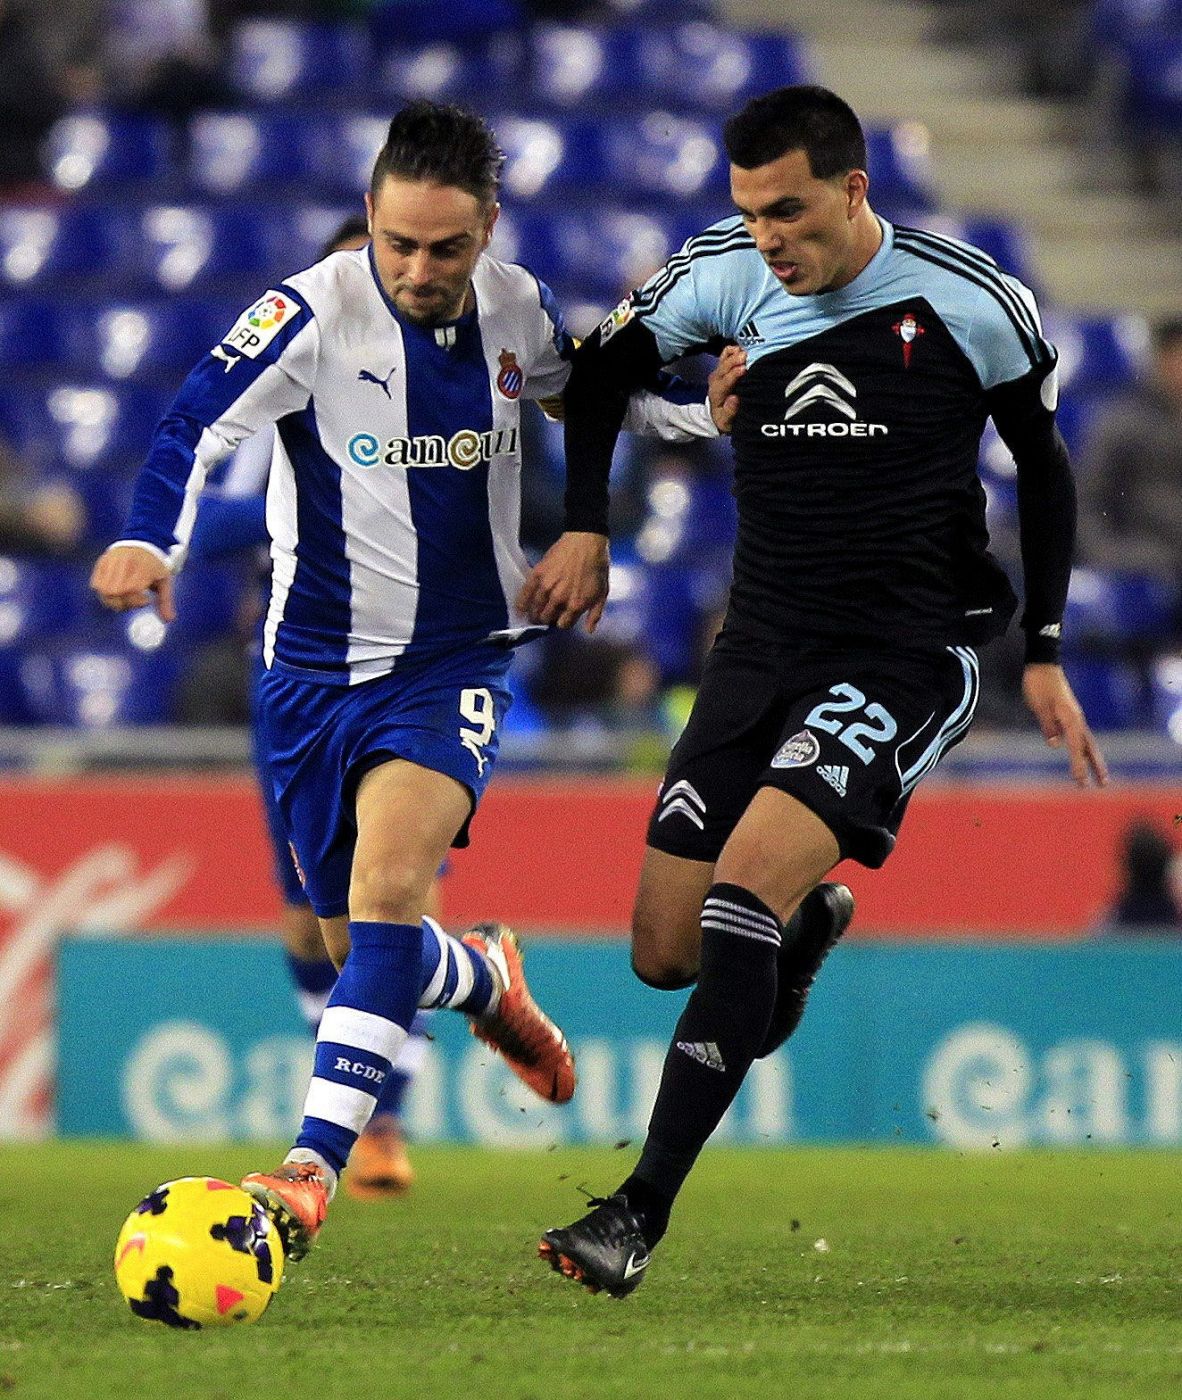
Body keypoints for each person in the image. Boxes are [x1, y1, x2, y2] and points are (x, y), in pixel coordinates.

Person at [90, 100, 737, 1263]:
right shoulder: (307, 311)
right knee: (355, 945)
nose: (418, 270)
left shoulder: (516, 303)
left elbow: (586, 391)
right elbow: (191, 426)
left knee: (389, 893)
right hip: (305, 678)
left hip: (449, 665)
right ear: (372, 223)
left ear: (486, 227)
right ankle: (482, 971)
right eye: (397, 244)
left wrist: (699, 408)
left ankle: (310, 1171)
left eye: (446, 247)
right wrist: (154, 541)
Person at [526, 83, 1108, 1297]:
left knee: (741, 892)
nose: (767, 238)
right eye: (748, 211)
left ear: (853, 190)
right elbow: (594, 374)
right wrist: (588, 525)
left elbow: (1043, 471)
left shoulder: (970, 299)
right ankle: (793, 945)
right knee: (662, 952)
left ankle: (635, 1212)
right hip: (762, 646)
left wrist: (1043, 645)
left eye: (788, 211)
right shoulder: (724, 275)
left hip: (905, 652)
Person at [188, 213, 437, 1197]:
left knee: (399, 887)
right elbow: (206, 520)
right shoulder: (278, 401)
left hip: (414, 667)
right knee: (309, 920)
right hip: (295, 677)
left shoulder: (439, 393)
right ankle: (451, 1009)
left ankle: (380, 1123)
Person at [1076, 317, 1182, 653]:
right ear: (1161, 359)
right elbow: (1087, 503)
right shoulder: (1121, 421)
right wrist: (1109, 555)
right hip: (1142, 560)